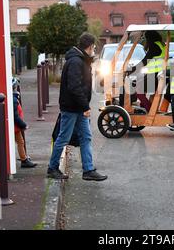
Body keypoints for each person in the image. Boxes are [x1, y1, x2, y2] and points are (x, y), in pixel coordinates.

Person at [47, 32, 107, 181]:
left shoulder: (82, 60)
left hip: (78, 108)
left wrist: (84, 106)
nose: (94, 50)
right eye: (93, 47)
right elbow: (74, 87)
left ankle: (88, 170)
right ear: (90, 46)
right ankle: (52, 168)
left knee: (86, 137)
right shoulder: (76, 62)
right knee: (63, 138)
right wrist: (85, 106)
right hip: (72, 108)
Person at [131, 31, 166, 111]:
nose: (145, 40)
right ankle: (143, 106)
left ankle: (149, 109)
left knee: (138, 90)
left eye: (145, 38)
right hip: (158, 74)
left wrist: (131, 69)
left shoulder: (154, 46)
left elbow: (145, 61)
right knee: (141, 88)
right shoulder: (161, 44)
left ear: (149, 38)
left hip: (154, 74)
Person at [12, 78, 37, 168]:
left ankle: (24, 158)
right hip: (14, 127)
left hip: (15, 127)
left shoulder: (13, 99)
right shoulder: (14, 100)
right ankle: (24, 160)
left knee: (20, 142)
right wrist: (23, 125)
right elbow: (15, 116)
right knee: (20, 142)